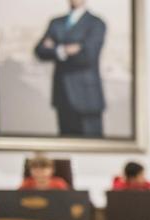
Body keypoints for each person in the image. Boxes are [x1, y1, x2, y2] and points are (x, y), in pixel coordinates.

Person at [34, 0, 106, 137]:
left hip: (87, 98)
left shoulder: (96, 23)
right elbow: (40, 51)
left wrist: (55, 48)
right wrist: (66, 50)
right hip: (62, 96)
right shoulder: (56, 22)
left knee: (91, 146)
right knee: (66, 143)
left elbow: (88, 55)